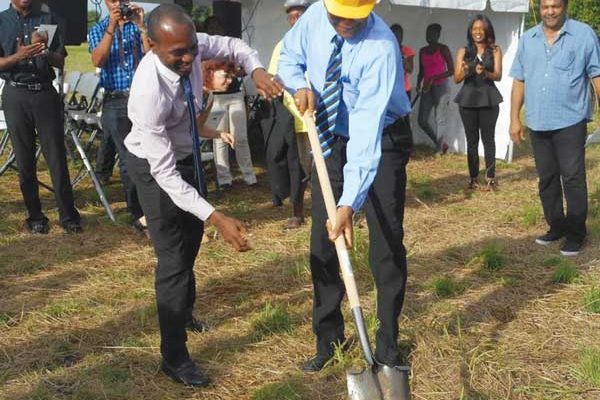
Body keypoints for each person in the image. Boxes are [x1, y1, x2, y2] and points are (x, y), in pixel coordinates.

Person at [124, 4, 283, 386]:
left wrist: (257, 70)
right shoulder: (148, 93)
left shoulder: (192, 44)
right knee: (173, 258)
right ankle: (174, 357)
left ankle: (184, 313)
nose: (189, 58)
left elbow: (234, 47)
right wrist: (217, 216)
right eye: (177, 53)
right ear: (152, 45)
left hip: (187, 155)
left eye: (192, 49)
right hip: (154, 168)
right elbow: (165, 174)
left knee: (191, 241)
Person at [279, 0, 412, 371]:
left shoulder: (381, 47)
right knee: (324, 242)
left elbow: (367, 134)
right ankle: (329, 339)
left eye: (355, 17)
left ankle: (387, 347)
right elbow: (288, 57)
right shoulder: (312, 18)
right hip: (331, 135)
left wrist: (348, 204)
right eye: (337, 16)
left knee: (386, 243)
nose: (345, 24)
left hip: (383, 137)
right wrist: (298, 85)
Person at [509, 0, 600, 257]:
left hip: (571, 120)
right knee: (547, 178)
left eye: (555, 6)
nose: (550, 11)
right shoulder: (528, 39)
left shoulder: (583, 34)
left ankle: (576, 233)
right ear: (539, 8)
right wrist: (514, 118)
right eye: (545, 6)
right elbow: (519, 80)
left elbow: (596, 75)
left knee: (572, 177)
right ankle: (556, 226)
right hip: (538, 121)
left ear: (565, 6)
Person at [0, 0, 82, 234]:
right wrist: (18, 56)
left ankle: (68, 216)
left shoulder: (49, 19)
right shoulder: (1, 22)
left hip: (45, 93)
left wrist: (45, 51)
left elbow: (60, 60)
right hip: (16, 94)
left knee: (56, 157)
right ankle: (35, 217)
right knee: (24, 158)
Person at [89, 0, 150, 232]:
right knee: (127, 157)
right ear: (106, 3)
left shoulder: (138, 25)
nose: (118, 4)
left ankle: (152, 206)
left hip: (142, 96)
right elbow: (98, 60)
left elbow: (152, 57)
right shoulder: (99, 28)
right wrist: (112, 27)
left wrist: (142, 26)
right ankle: (138, 212)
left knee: (149, 152)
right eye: (113, 1)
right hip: (116, 100)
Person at [262, 0, 312, 229]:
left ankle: (332, 209)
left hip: (322, 118)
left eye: (299, 16)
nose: (295, 21)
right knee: (298, 168)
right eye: (292, 17)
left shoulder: (322, 42)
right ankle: (297, 213)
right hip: (294, 119)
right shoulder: (281, 46)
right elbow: (274, 78)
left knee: (325, 167)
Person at [204, 16, 257, 189]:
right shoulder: (204, 49)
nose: (214, 30)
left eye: (217, 27)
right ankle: (224, 179)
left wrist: (235, 72)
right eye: (211, 28)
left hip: (235, 96)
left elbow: (245, 69)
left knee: (240, 137)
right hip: (216, 98)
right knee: (219, 138)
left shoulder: (230, 48)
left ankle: (249, 176)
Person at [453, 15, 503, 190]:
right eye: (475, 29)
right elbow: (456, 78)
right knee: (472, 140)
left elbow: (498, 75)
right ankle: (473, 177)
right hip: (468, 100)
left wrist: (486, 73)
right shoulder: (463, 51)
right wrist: (467, 70)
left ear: (487, 30)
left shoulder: (495, 50)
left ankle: (490, 178)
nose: (478, 32)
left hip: (489, 99)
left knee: (488, 140)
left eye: (481, 29)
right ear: (470, 31)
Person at [416, 23, 453, 154]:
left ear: (438, 35)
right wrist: (418, 84)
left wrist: (434, 78)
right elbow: (421, 71)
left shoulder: (443, 49)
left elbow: (451, 70)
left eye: (431, 33)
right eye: (427, 33)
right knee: (422, 120)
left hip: (441, 87)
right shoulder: (422, 51)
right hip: (427, 87)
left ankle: (439, 149)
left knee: (440, 119)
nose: (428, 36)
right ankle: (440, 143)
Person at [391, 24, 414, 101]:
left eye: (399, 36)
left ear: (402, 37)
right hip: (390, 88)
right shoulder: (386, 50)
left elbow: (410, 70)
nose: (397, 38)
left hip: (404, 89)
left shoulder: (407, 51)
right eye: (394, 35)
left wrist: (402, 56)